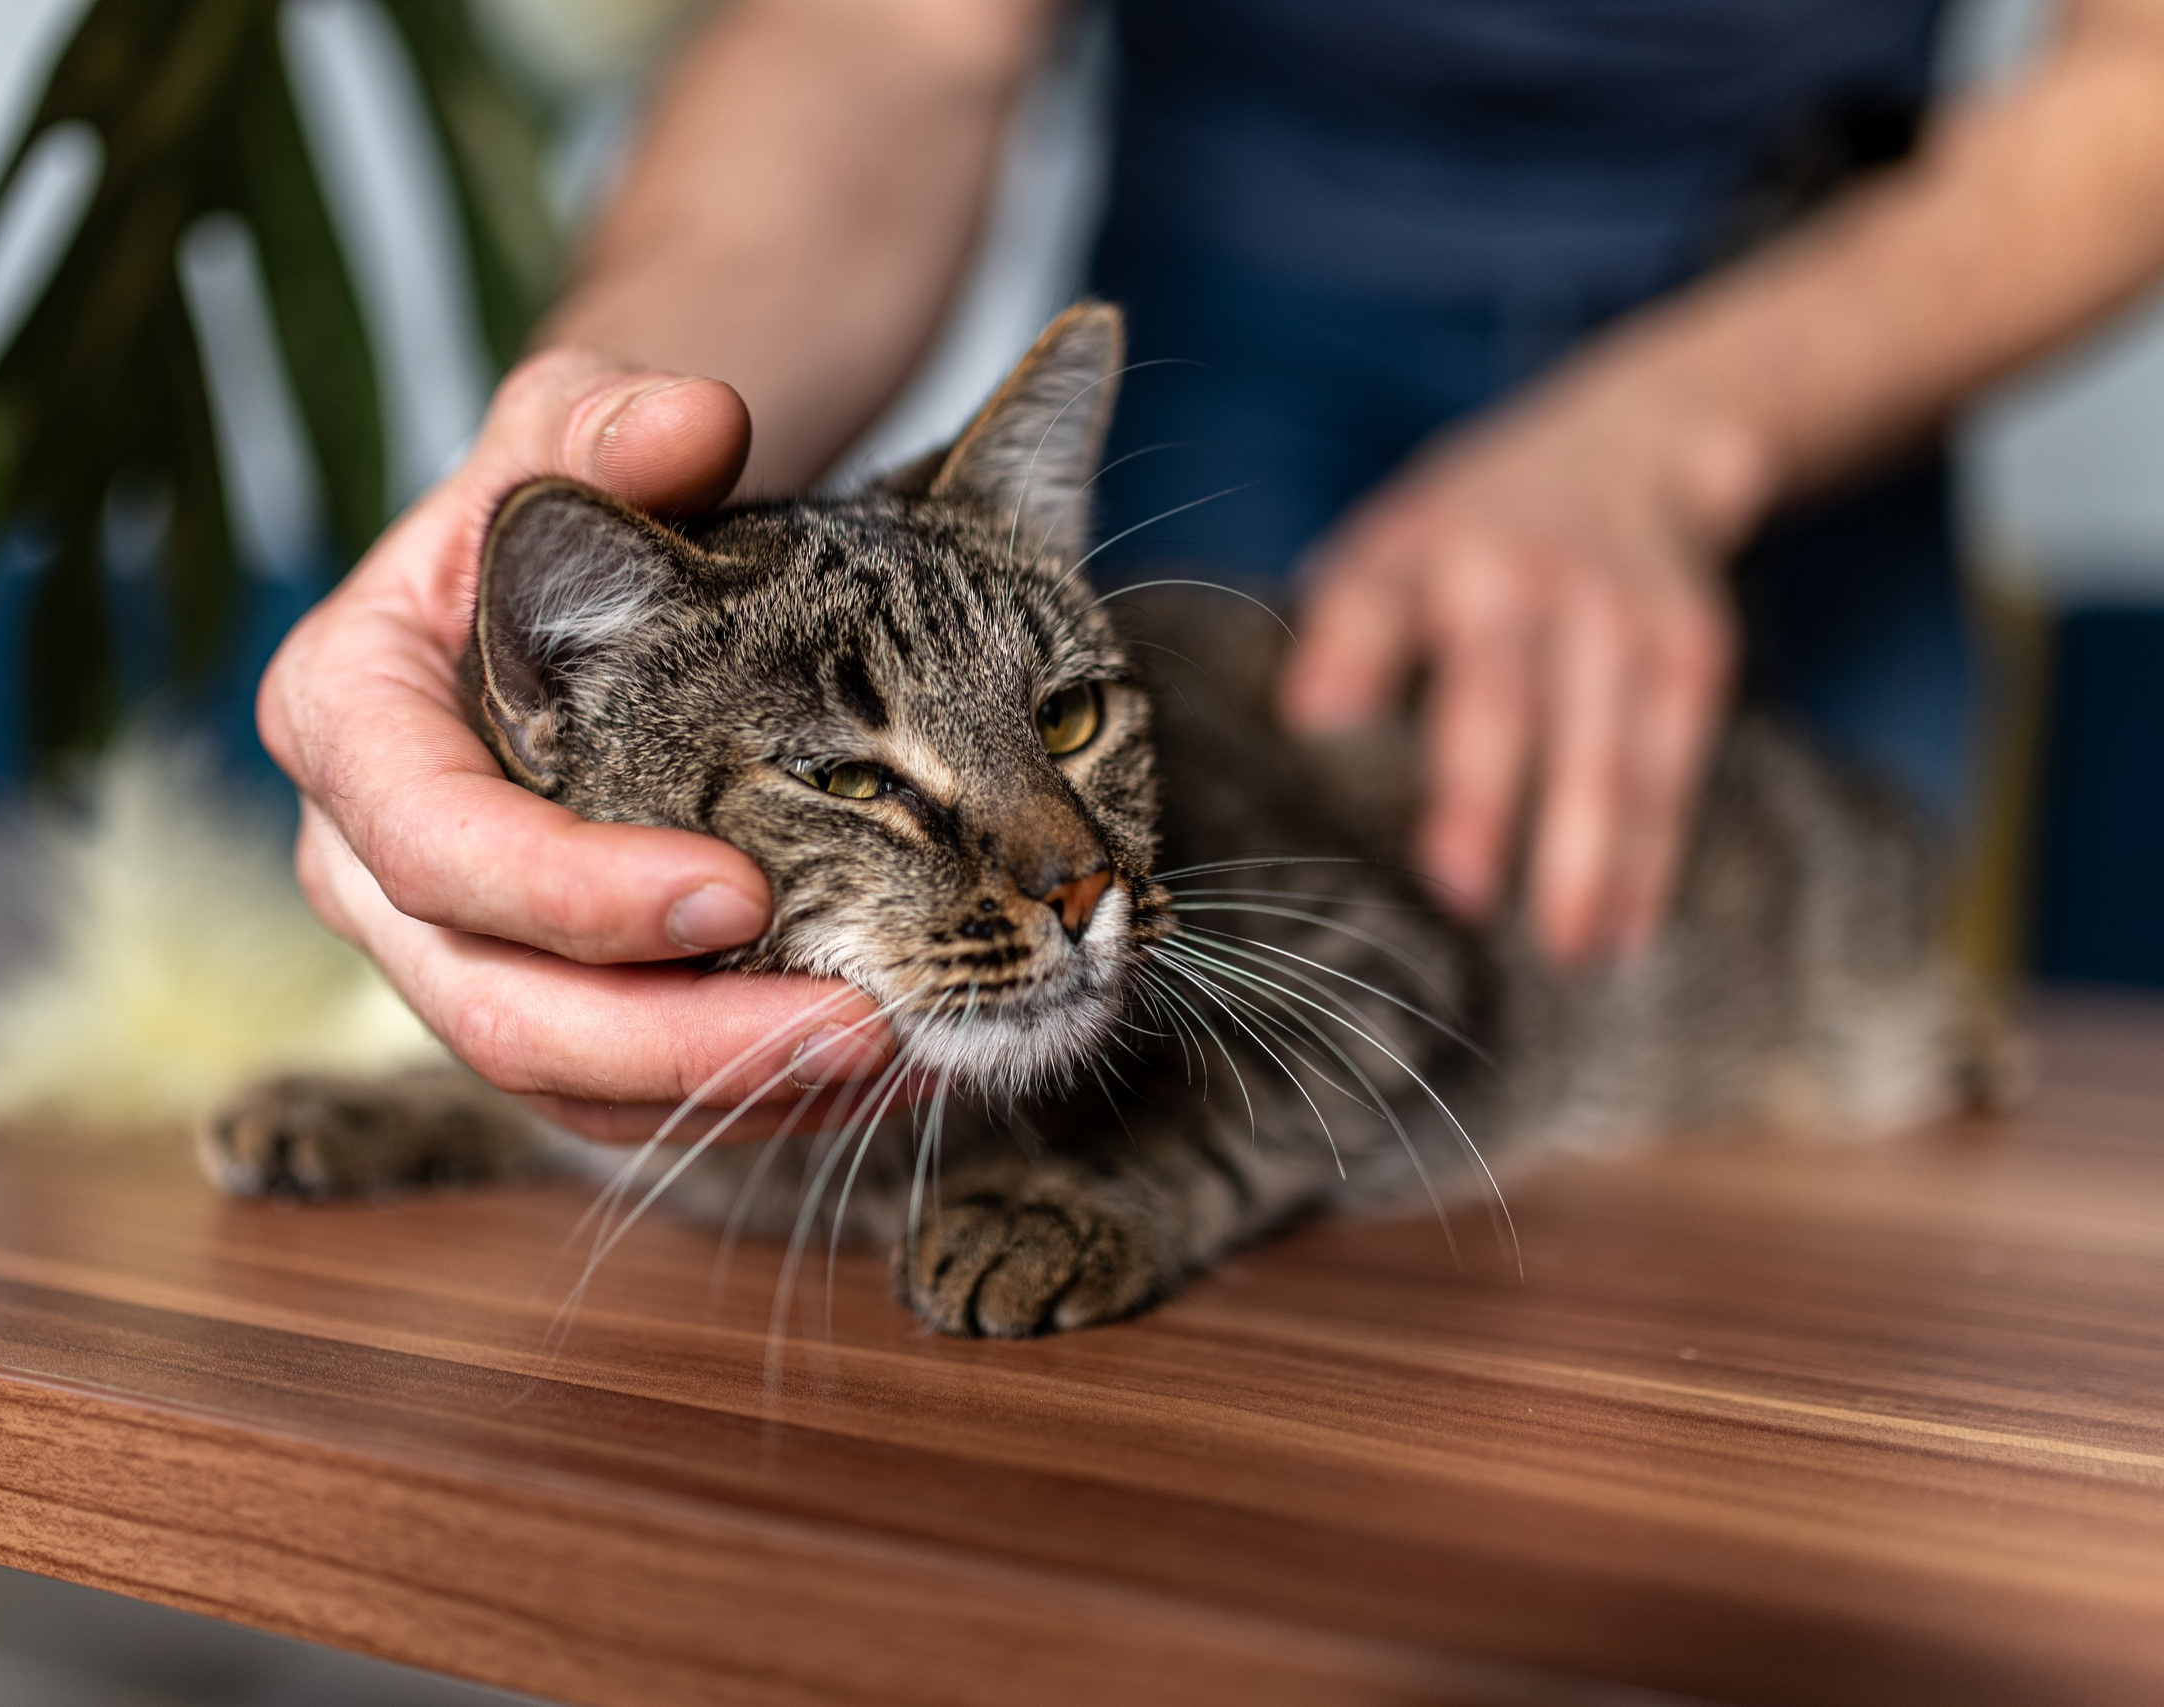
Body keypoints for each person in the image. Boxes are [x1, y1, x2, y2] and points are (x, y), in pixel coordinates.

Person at [254, 0, 2164, 1144]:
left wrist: (1680, 431)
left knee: (1809, 1125)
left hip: (1827, 306)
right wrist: (594, 438)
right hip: (1241, 323)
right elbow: (893, 34)